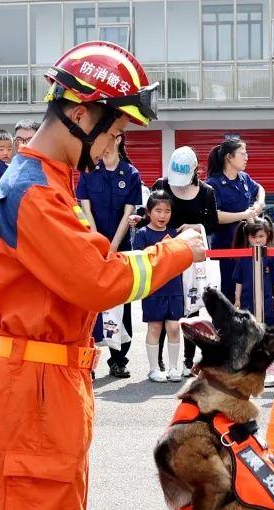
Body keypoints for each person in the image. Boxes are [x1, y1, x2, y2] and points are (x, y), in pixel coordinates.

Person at [0, 41, 204, 510]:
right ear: (79, 110)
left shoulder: (44, 183)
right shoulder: (35, 193)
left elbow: (88, 267)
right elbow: (101, 281)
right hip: (35, 381)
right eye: (115, 126)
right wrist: (180, 250)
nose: (117, 142)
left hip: (52, 376)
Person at [135, 146, 219, 376]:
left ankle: (187, 361)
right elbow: (150, 213)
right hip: (164, 255)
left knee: (189, 312)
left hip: (191, 258)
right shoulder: (162, 184)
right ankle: (158, 364)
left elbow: (212, 224)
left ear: (194, 171)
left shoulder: (206, 192)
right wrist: (139, 220)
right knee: (160, 319)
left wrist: (194, 227)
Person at [76, 131, 142, 378]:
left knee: (120, 302)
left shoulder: (131, 173)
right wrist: (98, 242)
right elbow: (85, 208)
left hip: (120, 247)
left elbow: (128, 215)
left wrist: (112, 247)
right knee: (90, 303)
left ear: (118, 140)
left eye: (108, 138)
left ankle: (118, 360)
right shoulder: (89, 170)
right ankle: (87, 359)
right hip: (93, 245)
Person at [133, 190, 185, 383]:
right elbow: (139, 260)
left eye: (167, 211)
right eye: (158, 211)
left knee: (173, 327)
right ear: (148, 212)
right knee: (154, 327)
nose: (163, 215)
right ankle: (154, 369)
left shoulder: (174, 234)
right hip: (153, 289)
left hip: (174, 288)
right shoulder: (142, 234)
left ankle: (173, 368)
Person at [206, 137, 266, 300]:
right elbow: (215, 215)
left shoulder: (244, 178)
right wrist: (244, 215)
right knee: (227, 296)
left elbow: (259, 188)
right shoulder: (213, 184)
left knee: (248, 293)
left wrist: (259, 204)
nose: (247, 157)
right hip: (226, 248)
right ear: (229, 157)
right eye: (243, 153)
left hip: (247, 246)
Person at [231, 219, 274, 326]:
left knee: (271, 332)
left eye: (261, 236)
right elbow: (239, 282)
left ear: (268, 235)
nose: (257, 240)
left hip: (268, 304)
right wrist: (237, 300)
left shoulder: (272, 257)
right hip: (247, 303)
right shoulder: (243, 258)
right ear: (247, 237)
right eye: (253, 237)